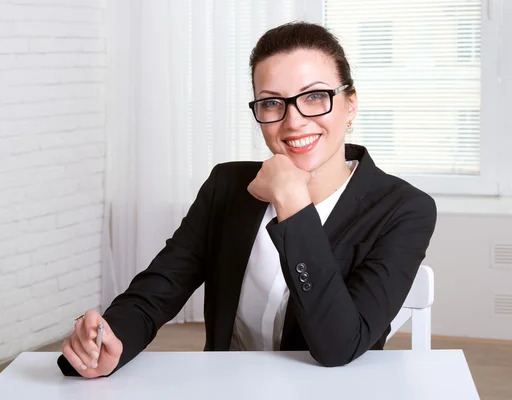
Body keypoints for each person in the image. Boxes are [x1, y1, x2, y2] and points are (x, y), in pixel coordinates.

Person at [57, 21, 437, 378]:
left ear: (350, 104)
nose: (294, 121)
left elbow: (339, 345)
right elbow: (156, 291)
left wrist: (292, 200)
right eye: (272, 103)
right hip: (228, 388)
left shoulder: (404, 209)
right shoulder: (228, 184)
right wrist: (109, 338)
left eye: (316, 96)